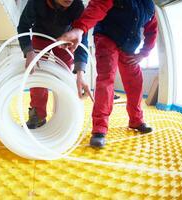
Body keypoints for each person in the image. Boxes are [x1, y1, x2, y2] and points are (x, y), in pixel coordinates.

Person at [59, 0, 158, 147]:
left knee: (135, 82)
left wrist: (144, 53)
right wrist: (80, 28)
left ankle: (136, 120)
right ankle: (99, 128)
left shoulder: (149, 5)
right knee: (106, 79)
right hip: (107, 37)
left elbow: (152, 29)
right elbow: (98, 5)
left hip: (129, 46)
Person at [17, 0, 91, 129]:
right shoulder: (36, 2)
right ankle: (38, 115)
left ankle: (64, 113)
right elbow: (23, 26)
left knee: (65, 78)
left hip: (65, 39)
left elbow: (82, 36)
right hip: (40, 37)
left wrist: (80, 72)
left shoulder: (77, 5)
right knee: (38, 75)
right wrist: (28, 51)